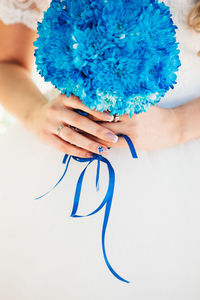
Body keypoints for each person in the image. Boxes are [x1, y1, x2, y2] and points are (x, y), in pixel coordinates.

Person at [0, 0, 200, 299]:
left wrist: (179, 123)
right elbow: (7, 64)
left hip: (184, 168)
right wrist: (34, 111)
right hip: (59, 156)